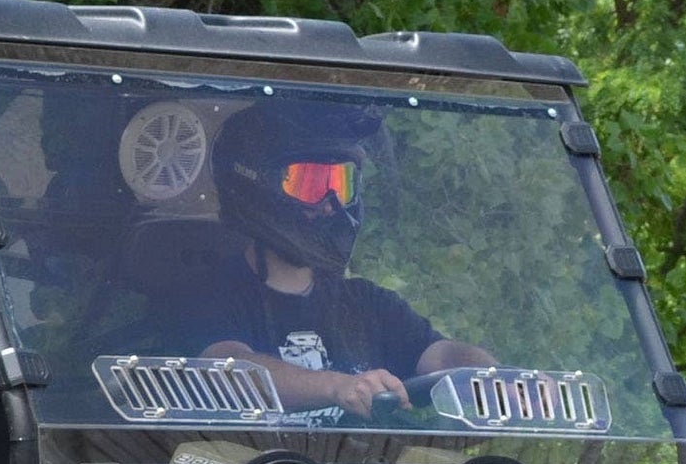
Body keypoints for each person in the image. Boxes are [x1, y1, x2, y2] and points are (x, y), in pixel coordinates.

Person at [183, 100, 493, 420]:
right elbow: (228, 370)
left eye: (341, 185)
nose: (330, 205)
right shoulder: (206, 296)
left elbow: (439, 357)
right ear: (257, 185)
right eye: (310, 184)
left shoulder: (366, 304)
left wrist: (500, 377)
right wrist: (337, 386)